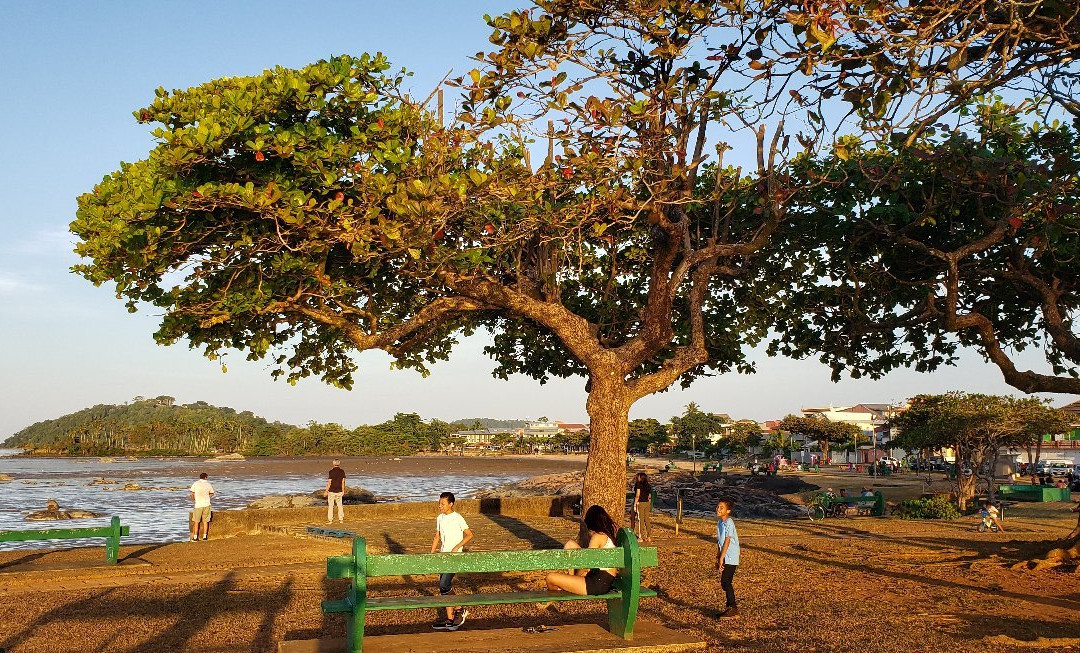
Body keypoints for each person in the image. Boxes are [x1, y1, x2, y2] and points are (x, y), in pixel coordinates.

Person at [545, 505, 619, 597]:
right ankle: (569, 582)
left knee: (550, 577)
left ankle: (552, 599)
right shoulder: (608, 536)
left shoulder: (597, 537)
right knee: (570, 544)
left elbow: (586, 564)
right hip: (604, 580)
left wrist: (576, 577)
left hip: (597, 583)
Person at [431, 491, 473, 631]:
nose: (440, 506)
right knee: (443, 587)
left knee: (445, 584)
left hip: (454, 557)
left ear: (451, 504)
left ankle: (460, 608)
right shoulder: (439, 518)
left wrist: (457, 547)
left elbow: (469, 535)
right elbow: (437, 536)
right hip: (443, 556)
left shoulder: (458, 518)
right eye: (439, 503)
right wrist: (431, 554)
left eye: (443, 504)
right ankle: (450, 618)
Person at [715, 497, 740, 618]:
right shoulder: (720, 522)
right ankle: (730, 606)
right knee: (724, 583)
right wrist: (718, 556)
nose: (718, 509)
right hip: (725, 556)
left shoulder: (729, 522)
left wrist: (722, 558)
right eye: (718, 507)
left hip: (731, 556)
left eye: (721, 507)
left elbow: (727, 540)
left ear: (728, 511)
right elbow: (719, 541)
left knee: (726, 581)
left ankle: (733, 607)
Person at [189, 472, 215, 542]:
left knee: (196, 521)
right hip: (206, 504)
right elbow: (212, 493)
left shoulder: (196, 483)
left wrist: (194, 499)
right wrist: (207, 497)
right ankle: (205, 537)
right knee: (205, 521)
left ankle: (195, 537)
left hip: (198, 504)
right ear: (206, 477)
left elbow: (191, 493)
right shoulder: (208, 484)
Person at [324, 459, 346, 525]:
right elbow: (343, 482)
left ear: (333, 464)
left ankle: (330, 520)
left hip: (332, 491)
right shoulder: (342, 471)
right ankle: (341, 519)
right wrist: (343, 490)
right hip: (339, 490)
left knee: (331, 506)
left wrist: (326, 491)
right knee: (340, 505)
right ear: (339, 464)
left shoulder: (331, 471)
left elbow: (329, 482)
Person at [632, 472, 653, 543]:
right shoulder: (648, 485)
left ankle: (641, 537)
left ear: (640, 478)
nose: (637, 478)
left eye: (638, 477)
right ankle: (649, 536)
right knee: (647, 519)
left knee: (640, 520)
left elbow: (637, 495)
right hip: (647, 503)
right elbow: (649, 496)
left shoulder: (638, 485)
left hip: (640, 503)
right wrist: (649, 503)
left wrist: (635, 504)